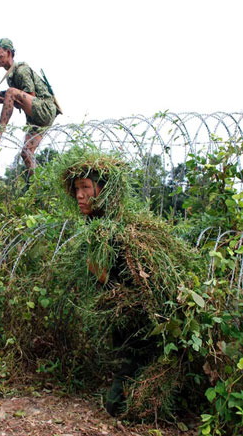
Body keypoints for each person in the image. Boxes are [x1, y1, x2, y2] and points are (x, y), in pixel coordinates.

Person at [60, 148, 203, 419]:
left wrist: (101, 275)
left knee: (118, 406)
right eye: (76, 188)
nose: (79, 195)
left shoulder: (121, 233)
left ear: (105, 190)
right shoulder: (97, 228)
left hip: (146, 335)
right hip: (129, 336)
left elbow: (135, 294)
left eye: (86, 187)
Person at [0, 38, 59, 181]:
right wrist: (4, 100)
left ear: (8, 53)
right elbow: (22, 101)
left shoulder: (21, 70)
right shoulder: (11, 77)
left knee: (11, 92)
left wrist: (9, 96)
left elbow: (30, 97)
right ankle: (39, 188)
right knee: (26, 153)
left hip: (43, 108)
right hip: (35, 118)